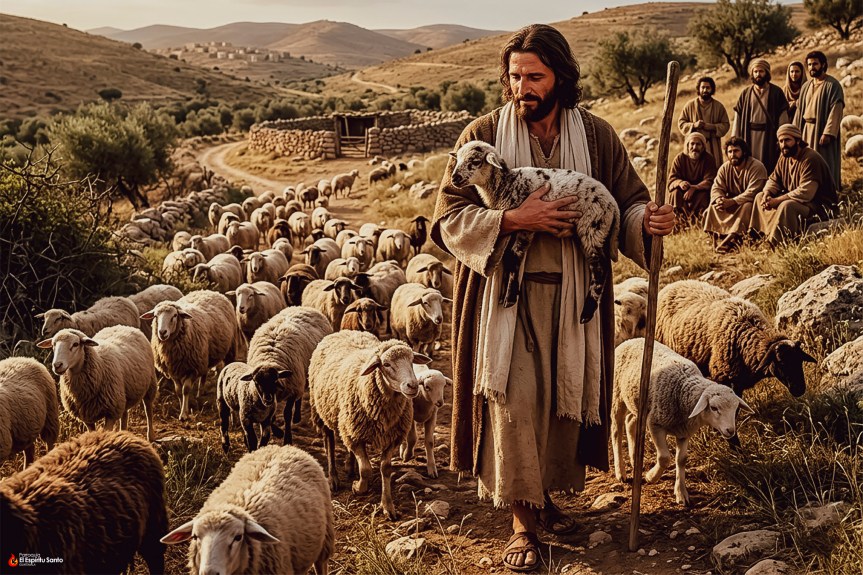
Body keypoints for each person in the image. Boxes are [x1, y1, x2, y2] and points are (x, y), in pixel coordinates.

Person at [430, 24, 675, 572]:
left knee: (560, 401)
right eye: (515, 76)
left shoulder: (598, 136)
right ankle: (522, 523)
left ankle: (545, 500)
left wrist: (648, 223)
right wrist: (514, 219)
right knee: (515, 400)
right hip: (504, 299)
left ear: (561, 76)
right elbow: (449, 217)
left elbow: (628, 205)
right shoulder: (483, 135)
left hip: (573, 298)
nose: (523, 87)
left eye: (535, 76)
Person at [750, 124, 838, 246]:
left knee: (787, 206)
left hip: (817, 205)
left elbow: (806, 192)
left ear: (797, 140)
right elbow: (774, 179)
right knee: (759, 197)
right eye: (781, 141)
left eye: (787, 140)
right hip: (798, 199)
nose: (783, 144)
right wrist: (767, 193)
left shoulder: (811, 158)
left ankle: (776, 242)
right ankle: (758, 235)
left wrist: (776, 200)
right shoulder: (784, 156)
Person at [703, 137, 767, 253]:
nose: (733, 154)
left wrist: (732, 201)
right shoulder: (725, 167)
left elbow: (753, 192)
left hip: (748, 204)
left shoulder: (757, 167)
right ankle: (716, 238)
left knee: (747, 206)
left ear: (744, 152)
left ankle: (733, 240)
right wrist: (719, 199)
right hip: (731, 202)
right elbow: (717, 187)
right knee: (713, 207)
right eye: (730, 152)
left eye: (736, 151)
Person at [793, 50, 845, 190]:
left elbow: (836, 109)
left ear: (823, 64)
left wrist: (828, 133)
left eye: (815, 64)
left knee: (824, 161)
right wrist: (794, 132)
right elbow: (799, 111)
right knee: (806, 162)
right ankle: (807, 189)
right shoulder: (805, 87)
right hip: (806, 131)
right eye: (809, 65)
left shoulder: (833, 85)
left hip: (821, 130)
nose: (812, 67)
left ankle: (827, 191)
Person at [731, 59, 789, 174]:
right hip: (749, 135)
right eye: (755, 71)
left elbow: (783, 117)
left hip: (770, 136)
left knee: (770, 163)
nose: (758, 74)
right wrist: (734, 138)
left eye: (761, 71)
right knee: (748, 163)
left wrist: (783, 137)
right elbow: (738, 116)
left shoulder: (776, 92)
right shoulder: (746, 93)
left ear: (767, 73)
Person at [677, 76, 730, 166]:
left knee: (713, 169)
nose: (705, 90)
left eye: (708, 88)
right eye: (703, 87)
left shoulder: (719, 106)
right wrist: (694, 125)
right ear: (699, 89)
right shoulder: (689, 105)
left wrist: (712, 127)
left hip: (713, 145)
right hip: (694, 147)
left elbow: (726, 125)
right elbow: (681, 123)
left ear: (712, 89)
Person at [667, 132, 717, 225]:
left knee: (703, 196)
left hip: (700, 190)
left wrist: (694, 188)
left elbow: (710, 180)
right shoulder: (680, 158)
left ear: (703, 146)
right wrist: (680, 183)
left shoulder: (708, 159)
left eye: (698, 144)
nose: (694, 147)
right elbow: (672, 180)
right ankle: (679, 223)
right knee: (675, 193)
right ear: (687, 145)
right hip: (683, 190)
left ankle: (698, 222)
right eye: (692, 144)